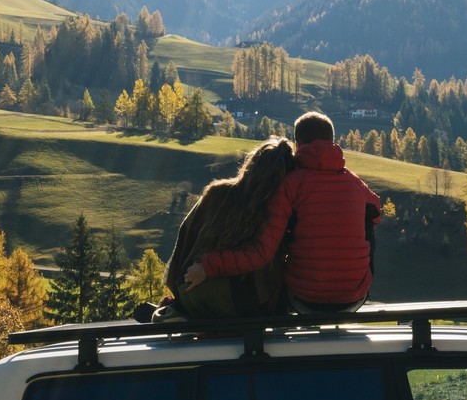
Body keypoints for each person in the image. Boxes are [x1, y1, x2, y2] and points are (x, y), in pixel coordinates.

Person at [185, 111, 380, 313]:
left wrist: (209, 266)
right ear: (332, 141)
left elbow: (262, 253)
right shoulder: (356, 183)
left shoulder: (290, 185)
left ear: (298, 145)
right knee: (367, 218)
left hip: (303, 299)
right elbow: (377, 212)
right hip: (354, 298)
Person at [160, 137, 296, 320]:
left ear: (252, 163)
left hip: (195, 294)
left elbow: (185, 238)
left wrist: (179, 286)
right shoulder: (277, 214)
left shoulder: (217, 193)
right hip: (250, 308)